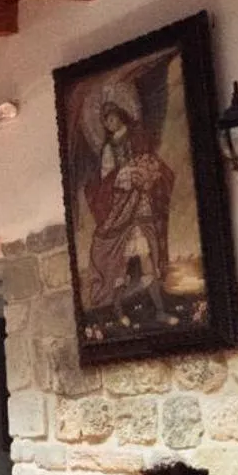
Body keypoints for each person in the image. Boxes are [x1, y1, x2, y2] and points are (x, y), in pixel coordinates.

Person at [82, 98, 174, 318]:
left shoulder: (137, 136)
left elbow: (149, 159)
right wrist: (121, 175)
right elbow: (107, 177)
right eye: (106, 122)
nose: (110, 123)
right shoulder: (108, 148)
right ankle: (118, 310)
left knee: (146, 253)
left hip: (141, 200)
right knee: (120, 258)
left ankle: (160, 310)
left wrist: (144, 171)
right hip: (122, 202)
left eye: (112, 118)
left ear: (120, 115)